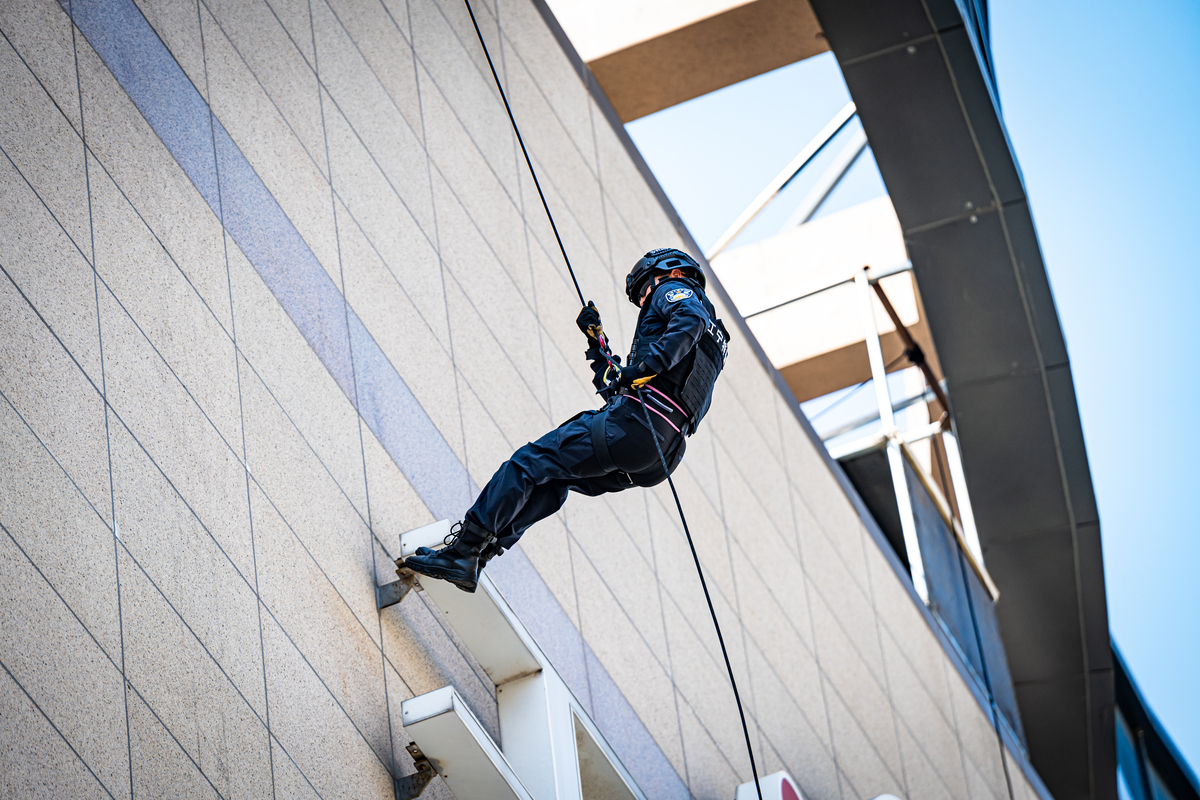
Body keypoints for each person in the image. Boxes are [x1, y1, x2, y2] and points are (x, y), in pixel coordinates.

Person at [404, 248, 731, 592]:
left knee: (526, 464)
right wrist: (596, 342)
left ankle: (464, 551)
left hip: (636, 425)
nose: (646, 300)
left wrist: (644, 368)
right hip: (660, 453)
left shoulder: (677, 293)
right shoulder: (714, 343)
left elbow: (683, 325)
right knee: (555, 480)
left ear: (668, 272)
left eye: (645, 290)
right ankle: (479, 557)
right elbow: (621, 385)